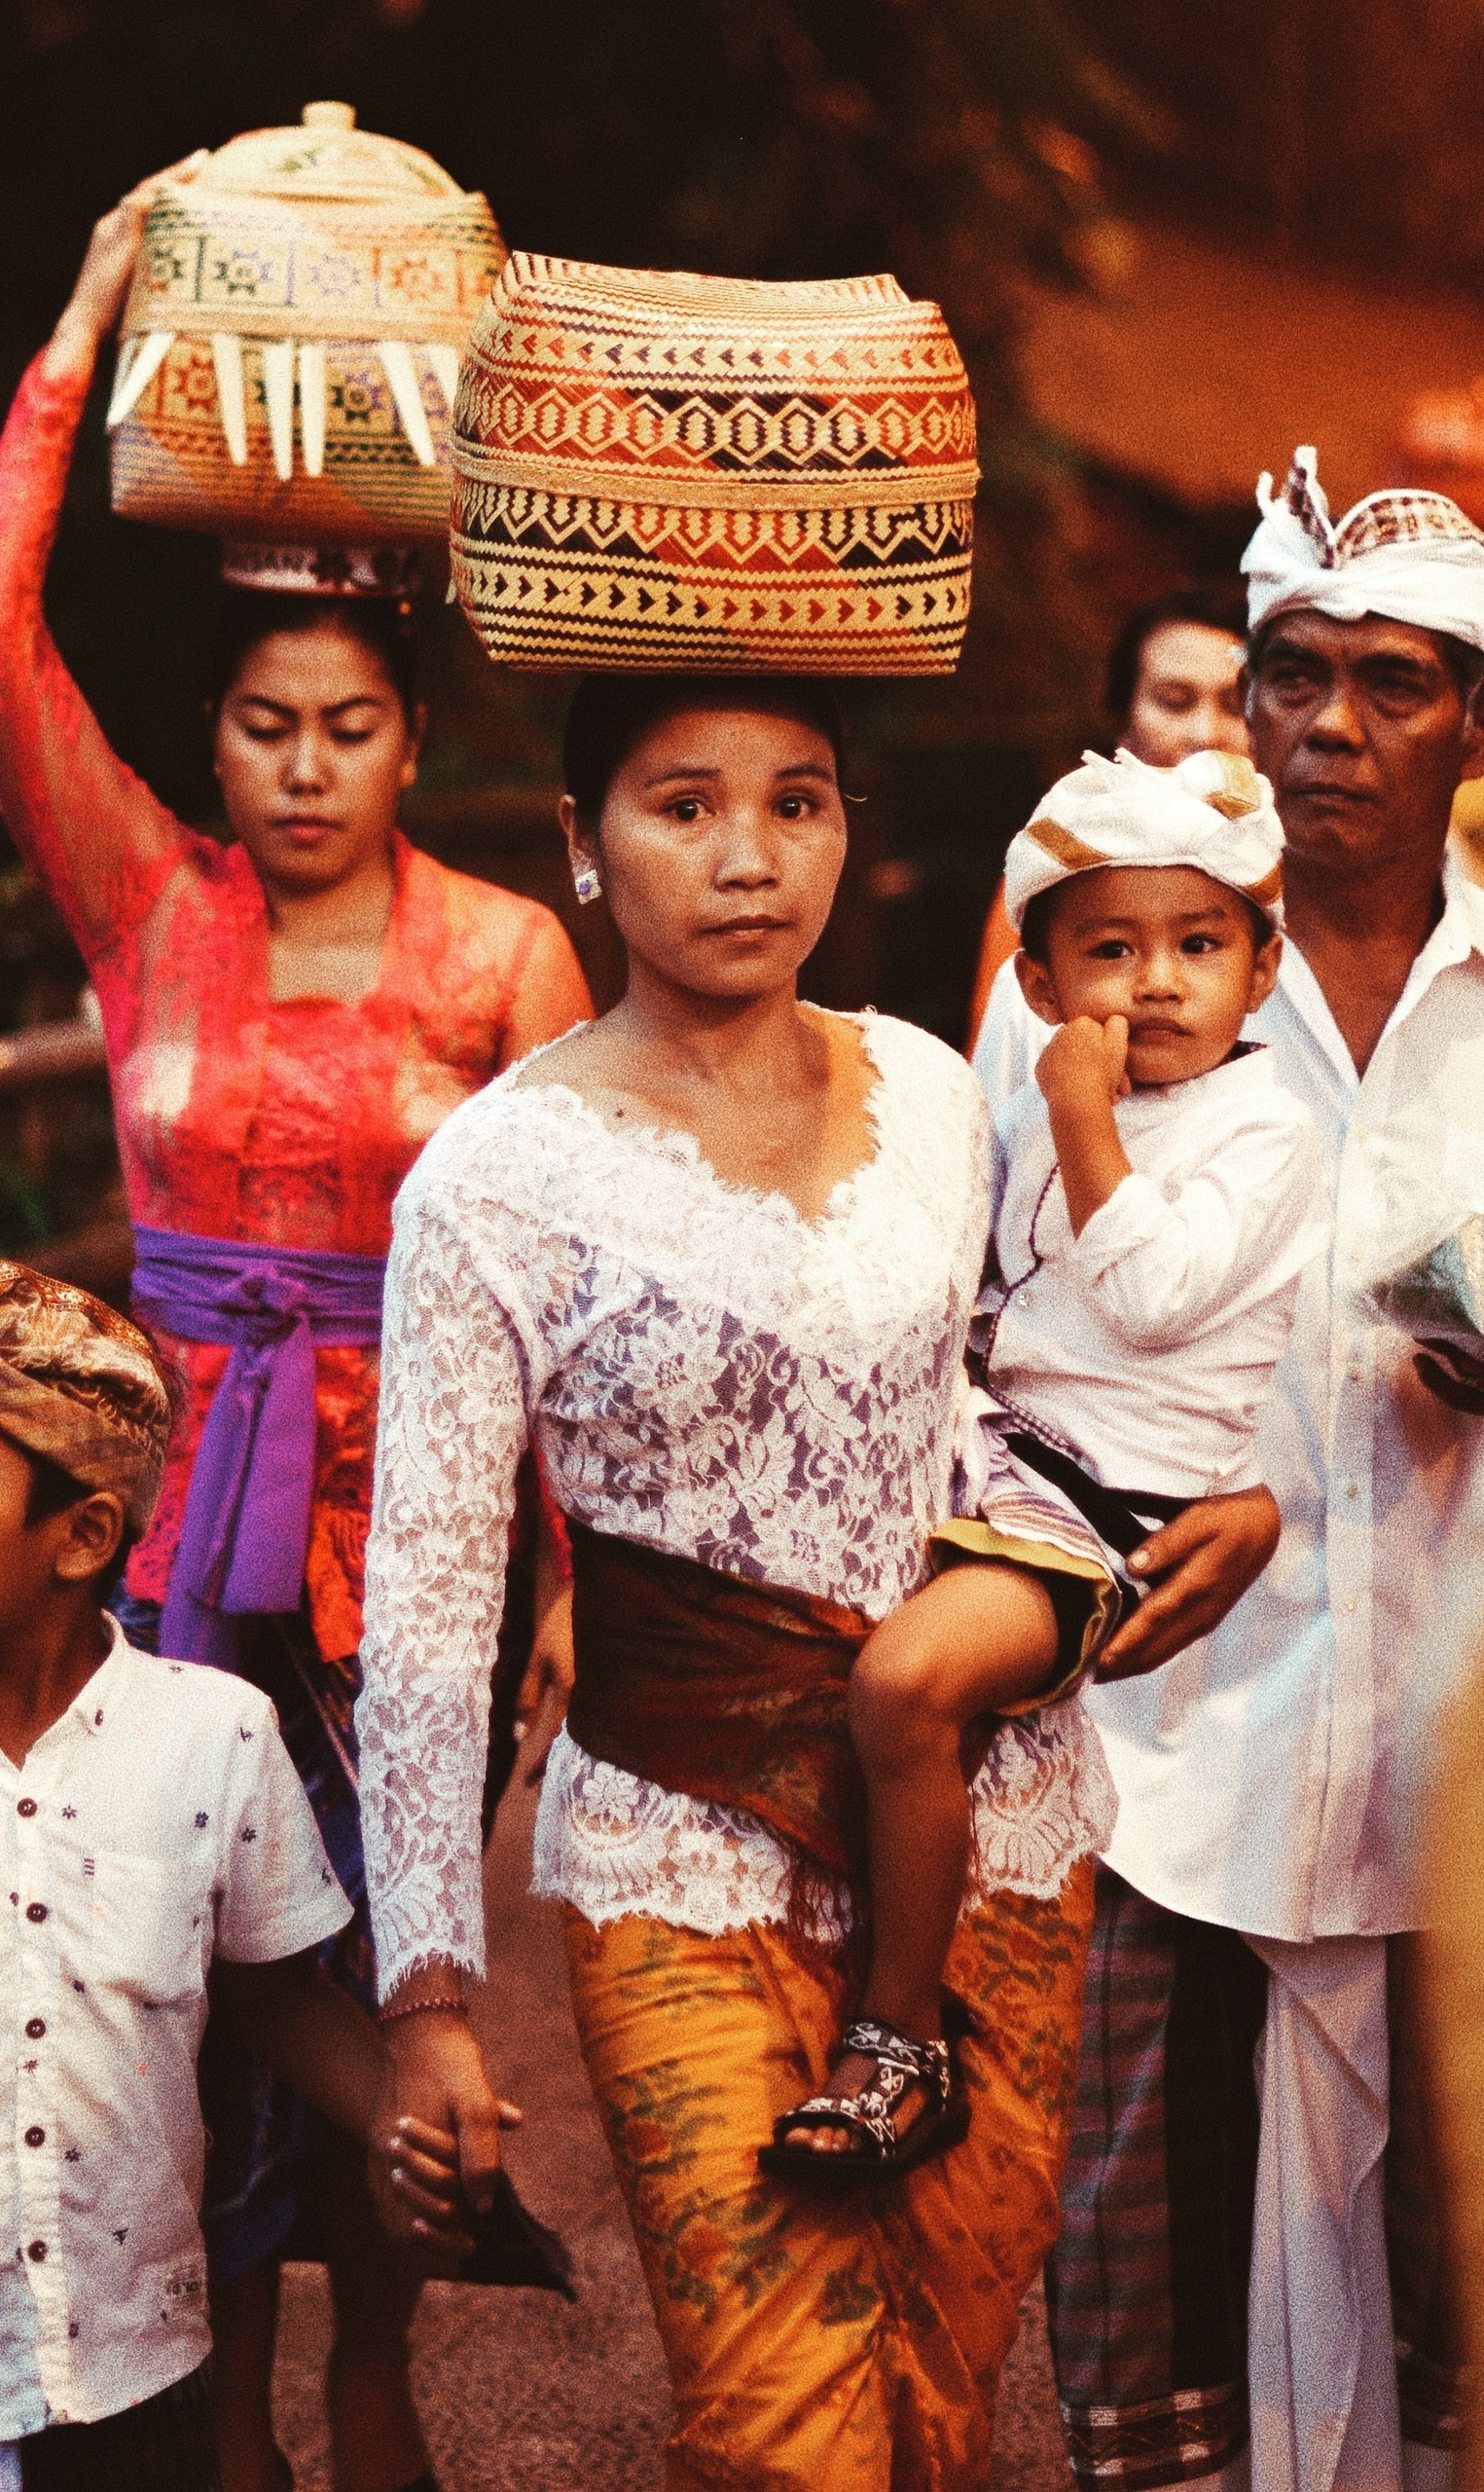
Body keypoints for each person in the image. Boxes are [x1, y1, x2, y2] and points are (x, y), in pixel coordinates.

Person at [354, 674, 1282, 2489]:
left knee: (938, 2412)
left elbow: (1108, 1337)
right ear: (580, 852)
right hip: (677, 1847)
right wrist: (425, 1999)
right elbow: (429, 1606)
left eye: (798, 803)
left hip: (993, 1827)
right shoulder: (495, 1177)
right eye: (681, 808)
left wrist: (1256, 1504)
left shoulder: (938, 1093)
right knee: (781, 2429)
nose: (747, 859)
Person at [0, 175, 592, 2492]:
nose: (300, 765)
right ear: (209, 741)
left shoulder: (510, 957)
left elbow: (561, 1299)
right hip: (146, 1551)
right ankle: (221, 2396)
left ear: (410, 738)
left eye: (345, 725)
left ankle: (374, 2366)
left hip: (405, 1547)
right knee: (183, 1979)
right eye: (258, 723)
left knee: (389, 1949)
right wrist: (89, 310)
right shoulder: (147, 908)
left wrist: (566, 1579)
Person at [1011, 451, 1484, 2492]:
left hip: (1453, 1750)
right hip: (1170, 1746)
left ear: (1475, 720)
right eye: (1292, 674)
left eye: (1394, 682)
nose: (1327, 727)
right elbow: (986, 1330)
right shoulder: (1129, 981)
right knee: (1160, 2349)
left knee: (1452, 2337)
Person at [0, 1233, 464, 2492]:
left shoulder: (212, 1740)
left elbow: (276, 1994)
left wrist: (396, 2103)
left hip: (127, 2363)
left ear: (80, 1537)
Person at [777, 747, 1325, 2180]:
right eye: (1109, 950)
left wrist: (1078, 1115)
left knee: (902, 1687)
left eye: (1196, 946)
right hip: (981, 1459)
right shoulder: (1026, 1106)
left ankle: (899, 2044)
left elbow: (1145, 1299)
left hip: (1107, 1510)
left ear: (1260, 971)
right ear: (1034, 986)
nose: (1151, 982)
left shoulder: (1264, 1134)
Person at [968, 585, 1250, 1078]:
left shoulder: (1301, 873)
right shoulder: (1056, 870)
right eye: (1174, 702)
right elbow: (1000, 1080)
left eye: (1234, 704)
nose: (1206, 733)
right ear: (1122, 720)